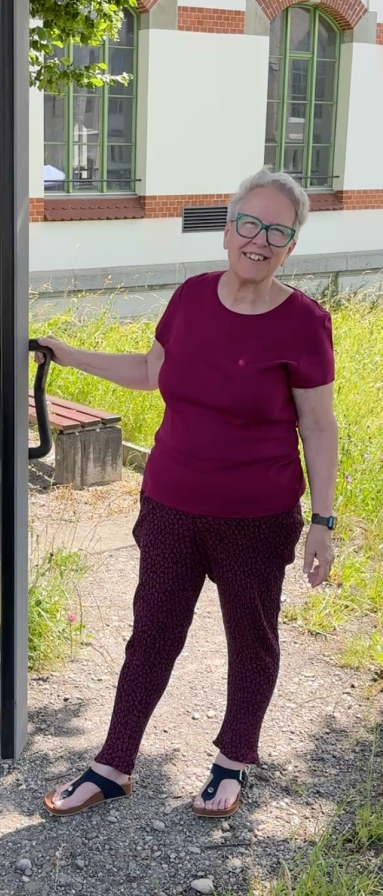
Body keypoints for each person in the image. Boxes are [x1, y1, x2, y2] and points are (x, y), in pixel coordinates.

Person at [38, 168, 338, 819]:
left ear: (290, 244)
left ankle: (232, 759)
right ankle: (112, 763)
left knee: (249, 638)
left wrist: (322, 518)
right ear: (227, 228)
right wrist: (66, 353)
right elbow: (148, 372)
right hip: (170, 506)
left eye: (276, 230)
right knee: (150, 635)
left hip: (256, 517)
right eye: (248, 223)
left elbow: (317, 423)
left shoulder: (304, 323)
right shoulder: (190, 297)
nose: (258, 239)